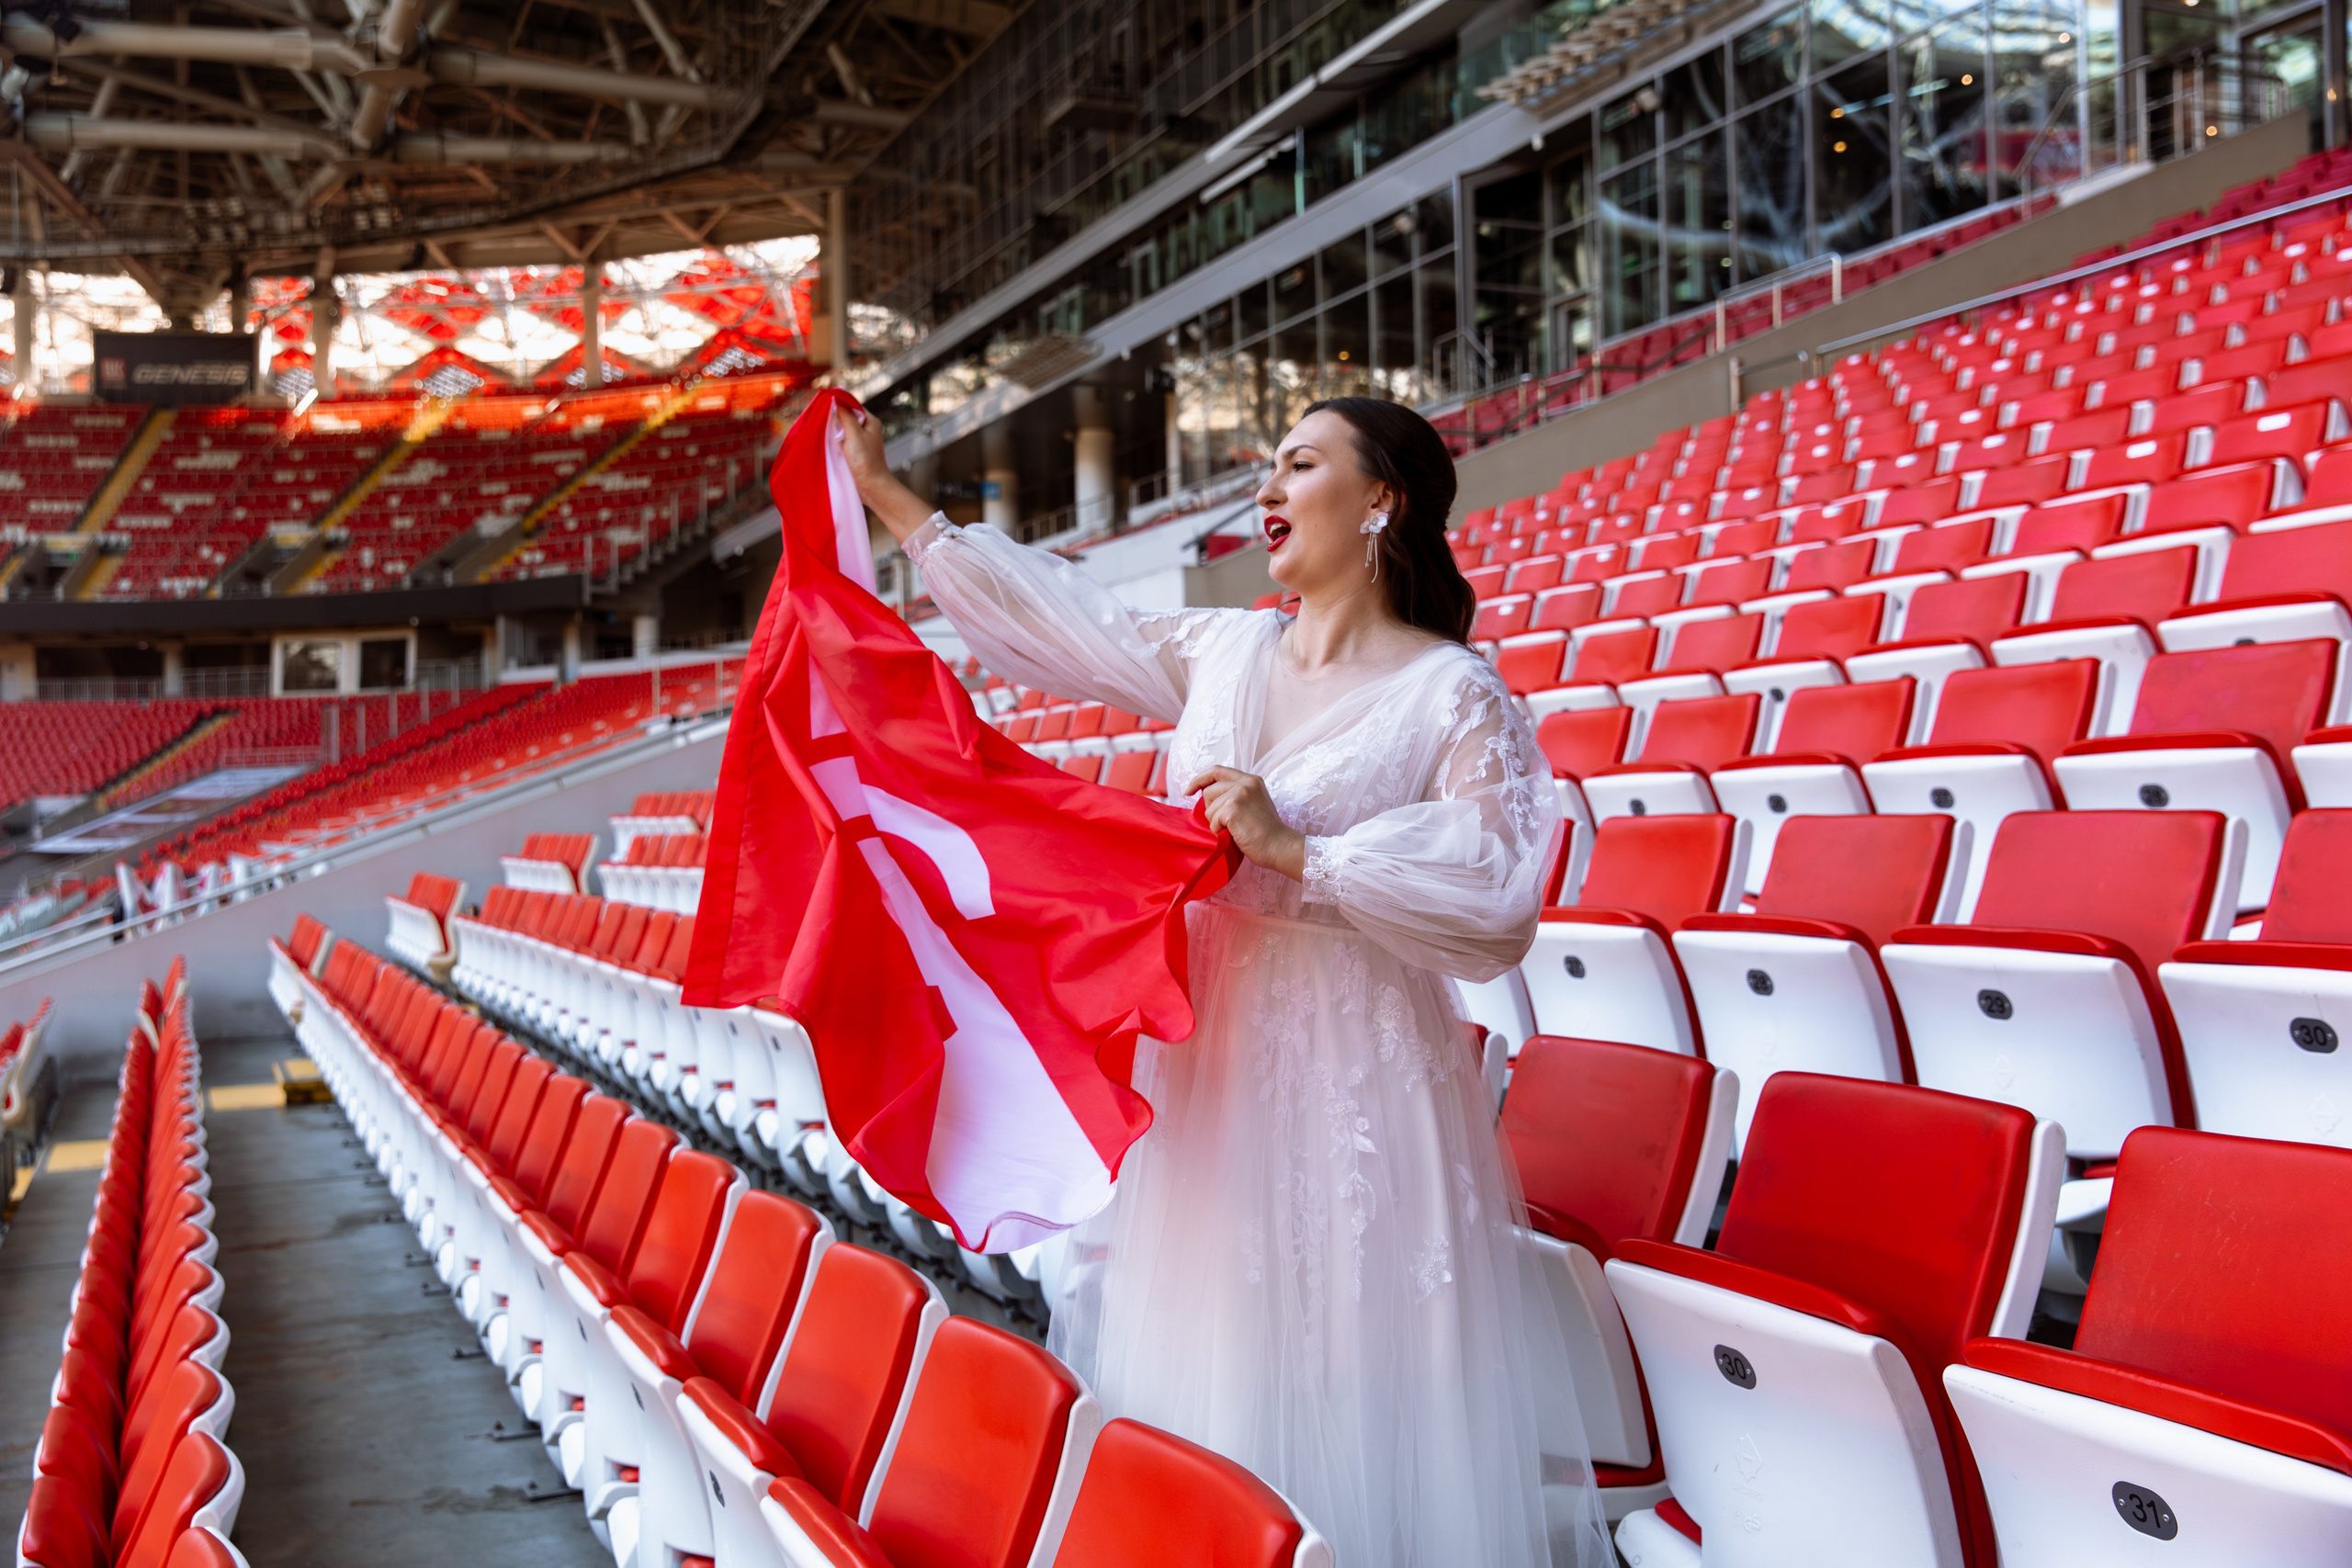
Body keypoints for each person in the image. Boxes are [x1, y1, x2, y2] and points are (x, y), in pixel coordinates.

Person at [835, 395, 1609, 1568]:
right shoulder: (1221, 649)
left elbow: (1498, 901)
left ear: (1380, 502)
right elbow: (1058, 620)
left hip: (1357, 1069)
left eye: (1299, 464)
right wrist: (893, 498)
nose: (1268, 487)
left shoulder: (1455, 692)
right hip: (1207, 1056)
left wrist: (1303, 853)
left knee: (1350, 1355)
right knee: (1214, 1349)